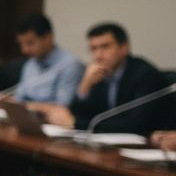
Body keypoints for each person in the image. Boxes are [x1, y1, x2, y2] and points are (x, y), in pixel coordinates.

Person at [35, 23, 171, 134]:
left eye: (105, 47)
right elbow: (76, 116)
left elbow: (135, 124)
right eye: (93, 49)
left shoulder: (144, 75)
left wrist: (77, 123)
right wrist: (84, 86)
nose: (98, 55)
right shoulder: (99, 74)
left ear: (124, 48)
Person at [0, 13, 82, 105]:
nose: (24, 50)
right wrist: (3, 100)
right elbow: (20, 99)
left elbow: (62, 107)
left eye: (30, 43)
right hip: (25, 118)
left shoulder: (69, 64)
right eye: (21, 44)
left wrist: (26, 106)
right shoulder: (30, 64)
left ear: (48, 38)